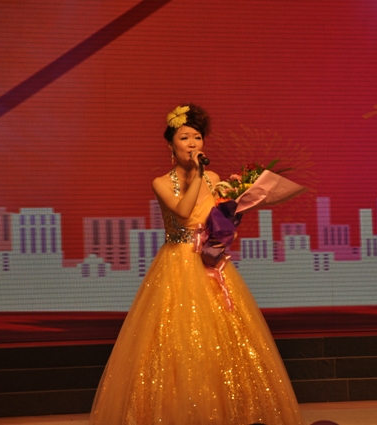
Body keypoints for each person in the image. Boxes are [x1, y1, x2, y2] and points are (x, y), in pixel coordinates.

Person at [89, 104, 305, 424]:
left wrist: (227, 226)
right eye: (184, 137)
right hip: (175, 263)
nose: (192, 143)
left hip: (208, 263)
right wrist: (199, 176)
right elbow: (183, 213)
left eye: (197, 137)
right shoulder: (161, 182)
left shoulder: (215, 179)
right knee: (174, 340)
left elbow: (216, 218)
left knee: (220, 340)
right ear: (171, 144)